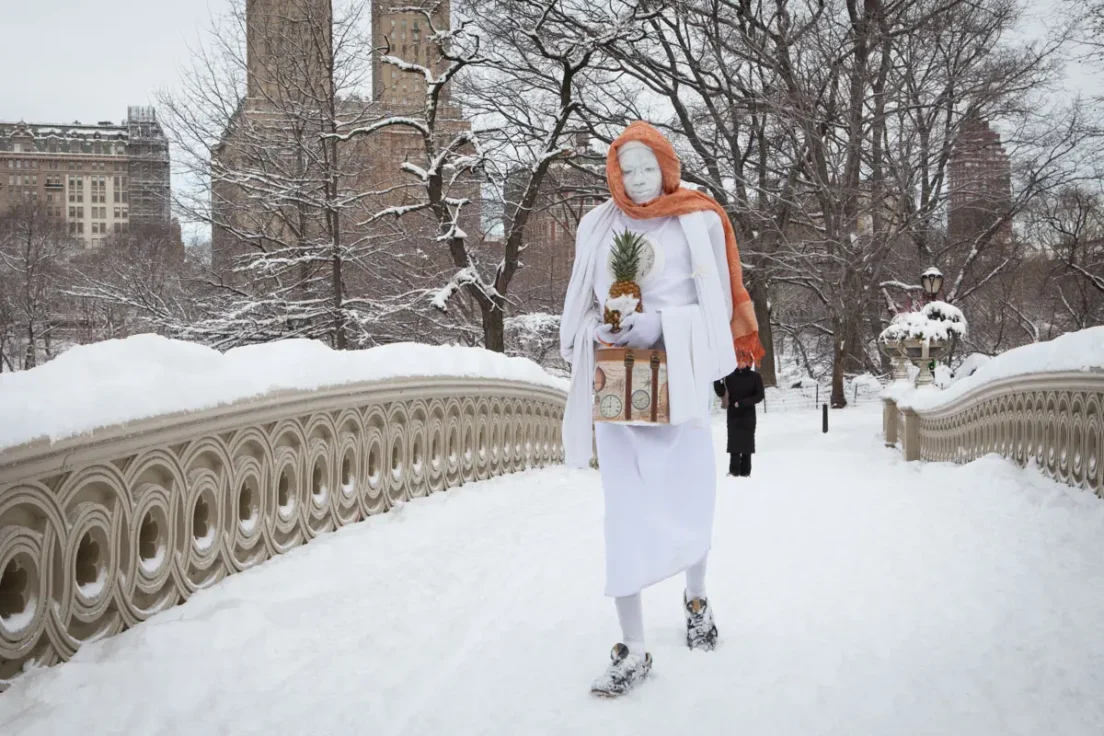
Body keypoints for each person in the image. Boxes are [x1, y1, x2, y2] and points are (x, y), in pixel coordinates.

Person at [559, 121, 764, 698]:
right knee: (622, 512)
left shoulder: (697, 219)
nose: (639, 180)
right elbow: (579, 302)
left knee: (688, 499)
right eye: (627, 170)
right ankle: (633, 646)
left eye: (649, 168)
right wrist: (601, 327)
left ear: (668, 169)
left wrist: (662, 327)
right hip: (618, 386)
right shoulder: (597, 225)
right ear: (613, 174)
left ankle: (695, 598)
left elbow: (718, 314)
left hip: (682, 382)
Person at [714, 364, 765, 477]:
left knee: (747, 443)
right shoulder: (729, 376)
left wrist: (743, 402)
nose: (740, 363)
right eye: (738, 360)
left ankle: (746, 472)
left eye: (743, 360)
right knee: (733, 442)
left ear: (749, 362)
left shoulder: (755, 376)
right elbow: (721, 392)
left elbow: (760, 395)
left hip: (748, 414)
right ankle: (733, 471)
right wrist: (716, 379)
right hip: (733, 414)